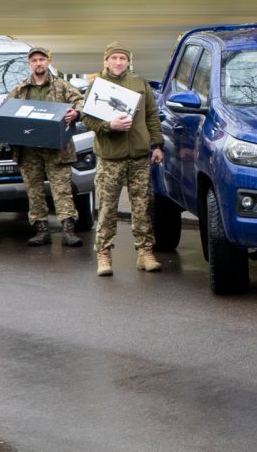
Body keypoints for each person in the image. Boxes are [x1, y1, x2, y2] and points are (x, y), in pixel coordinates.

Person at [78, 43, 162, 277]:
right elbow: (86, 118)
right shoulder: (97, 85)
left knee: (142, 206)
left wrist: (157, 145)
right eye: (113, 58)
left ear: (128, 61)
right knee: (107, 207)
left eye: (122, 59)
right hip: (110, 157)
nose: (117, 62)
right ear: (106, 61)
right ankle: (104, 253)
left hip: (138, 155)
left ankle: (145, 252)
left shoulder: (139, 83)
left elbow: (152, 115)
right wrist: (109, 125)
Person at [9, 47, 83, 248]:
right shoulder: (20, 89)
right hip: (29, 149)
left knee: (62, 189)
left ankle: (68, 231)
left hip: (57, 149)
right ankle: (42, 230)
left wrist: (75, 113)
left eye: (42, 59)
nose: (38, 63)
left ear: (48, 62)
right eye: (34, 60)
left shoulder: (62, 86)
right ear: (29, 64)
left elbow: (81, 102)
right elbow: (6, 114)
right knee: (34, 191)